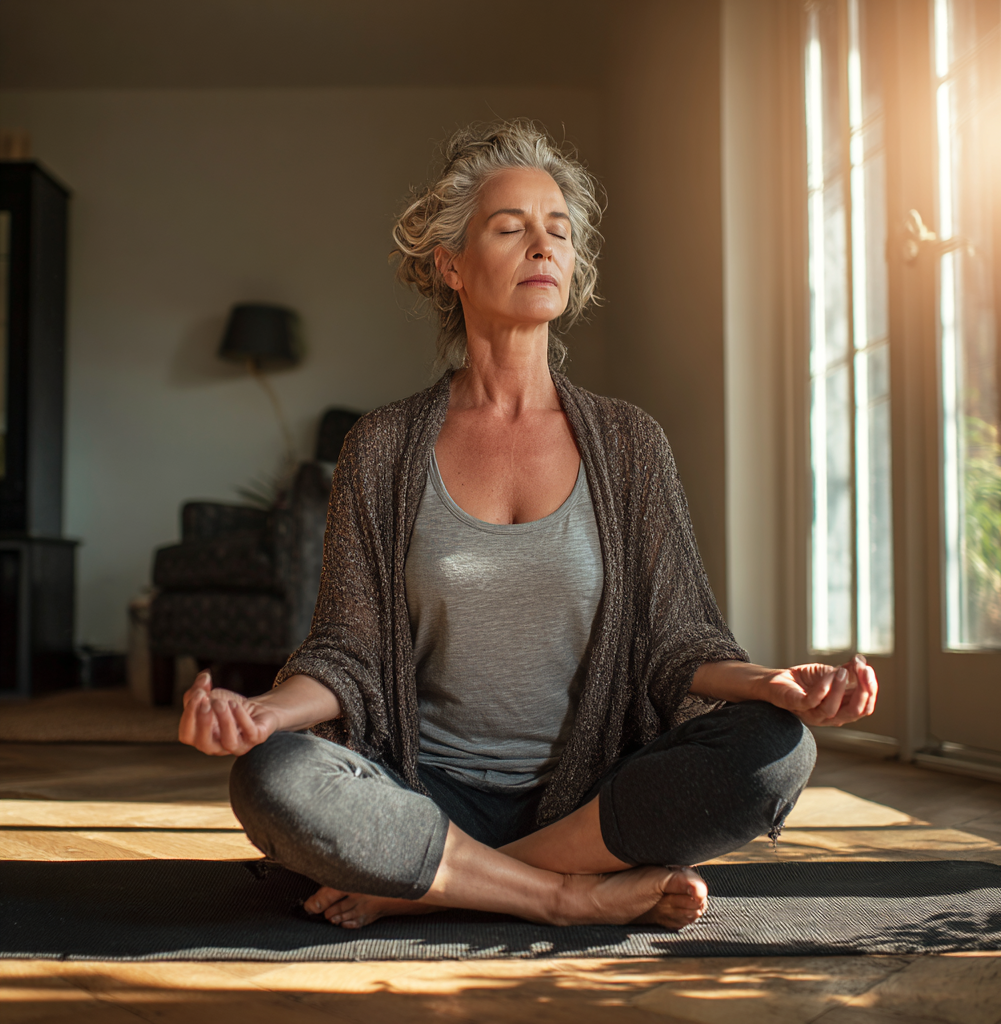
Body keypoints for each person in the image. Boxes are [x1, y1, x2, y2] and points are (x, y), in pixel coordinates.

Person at [178, 121, 878, 931]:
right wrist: (262, 714)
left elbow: (678, 640)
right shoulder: (381, 447)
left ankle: (432, 881)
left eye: (559, 231)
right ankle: (563, 895)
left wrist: (774, 685)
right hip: (423, 793)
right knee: (271, 777)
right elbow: (348, 652)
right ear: (450, 266)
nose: (541, 246)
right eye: (510, 228)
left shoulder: (628, 442)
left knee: (779, 751)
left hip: (590, 803)